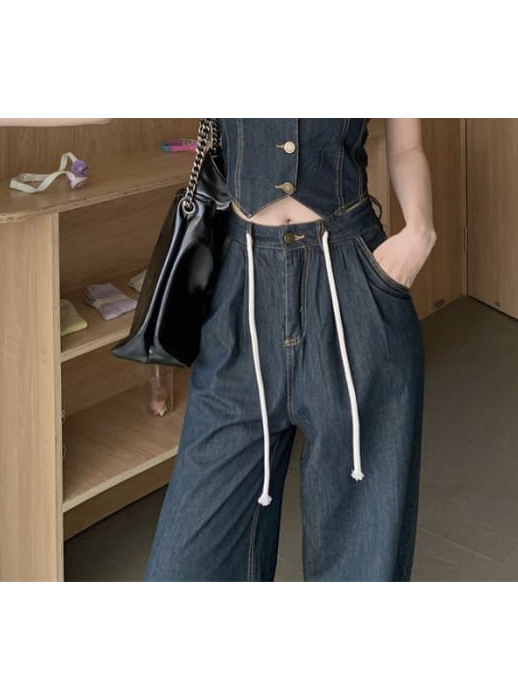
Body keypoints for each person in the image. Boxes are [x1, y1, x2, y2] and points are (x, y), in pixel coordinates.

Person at [143, 119, 437, 581]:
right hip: (241, 289)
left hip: (352, 282)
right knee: (185, 567)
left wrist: (420, 230)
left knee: (362, 560)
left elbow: (406, 146)